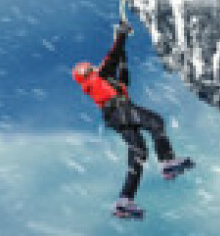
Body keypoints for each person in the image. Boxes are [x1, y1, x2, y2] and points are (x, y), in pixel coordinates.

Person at [73, 19, 193, 219]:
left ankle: (124, 201)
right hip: (120, 110)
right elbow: (111, 59)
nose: (94, 67)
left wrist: (122, 52)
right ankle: (167, 161)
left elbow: (122, 76)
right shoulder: (96, 78)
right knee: (155, 121)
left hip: (116, 115)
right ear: (87, 71)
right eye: (91, 67)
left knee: (138, 152)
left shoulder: (101, 81)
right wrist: (121, 35)